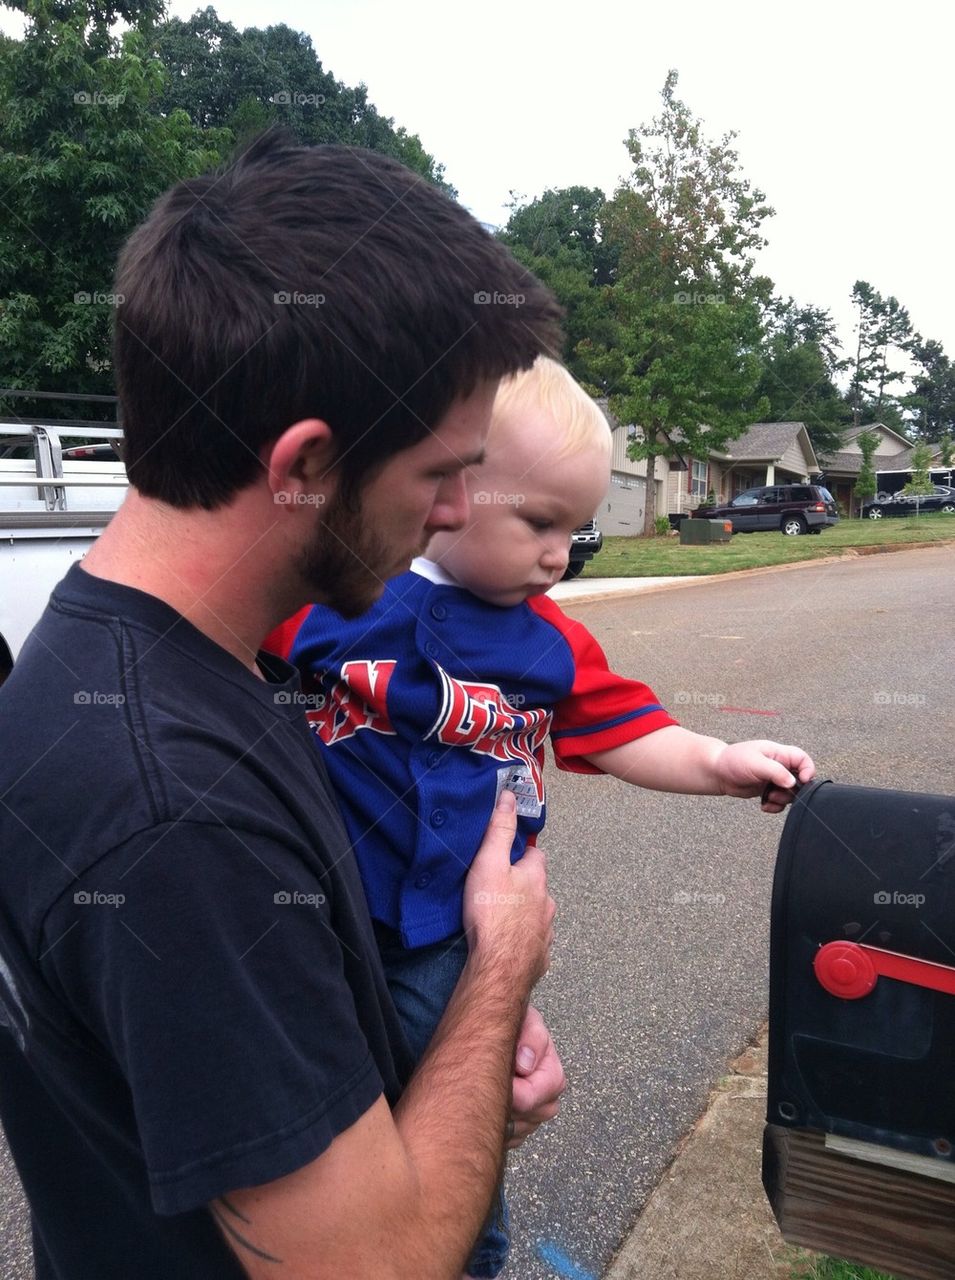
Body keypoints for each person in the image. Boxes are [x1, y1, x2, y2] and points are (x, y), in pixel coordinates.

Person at [0, 131, 570, 1280]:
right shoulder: (172, 810)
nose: (457, 511)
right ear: (304, 462)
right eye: (437, 472)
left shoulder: (152, 663)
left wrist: (448, 1046)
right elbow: (372, 1264)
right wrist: (500, 967)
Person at [272, 357, 817, 1274]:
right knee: (331, 1127)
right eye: (538, 523)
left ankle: (467, 1256)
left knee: (460, 1118)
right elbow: (215, 646)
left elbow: (626, 729)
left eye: (575, 528)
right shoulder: (344, 600)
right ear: (449, 492)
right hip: (319, 924)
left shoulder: (551, 641)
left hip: (454, 936)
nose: (560, 554)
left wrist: (720, 762)